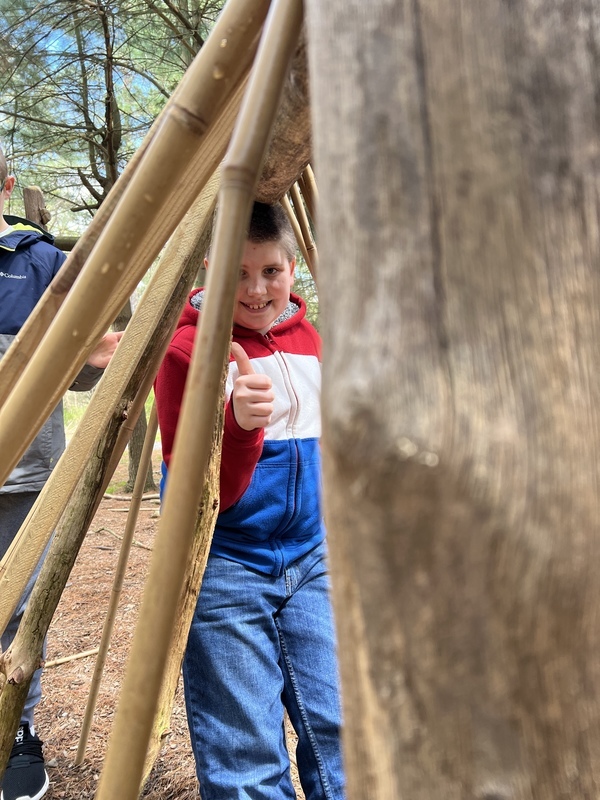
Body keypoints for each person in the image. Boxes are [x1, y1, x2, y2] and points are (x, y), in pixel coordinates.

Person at [155, 202, 345, 799]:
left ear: (293, 269)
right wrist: (237, 427)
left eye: (269, 271)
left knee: (342, 728)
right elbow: (204, 497)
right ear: (209, 270)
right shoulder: (190, 353)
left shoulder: (310, 341)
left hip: (310, 558)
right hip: (227, 563)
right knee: (245, 755)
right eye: (237, 273)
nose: (256, 290)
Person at [0, 146, 122, 800]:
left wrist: (93, 356)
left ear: (7, 185)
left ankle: (14, 729)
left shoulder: (43, 263)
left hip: (26, 475)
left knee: (17, 611)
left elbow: (75, 374)